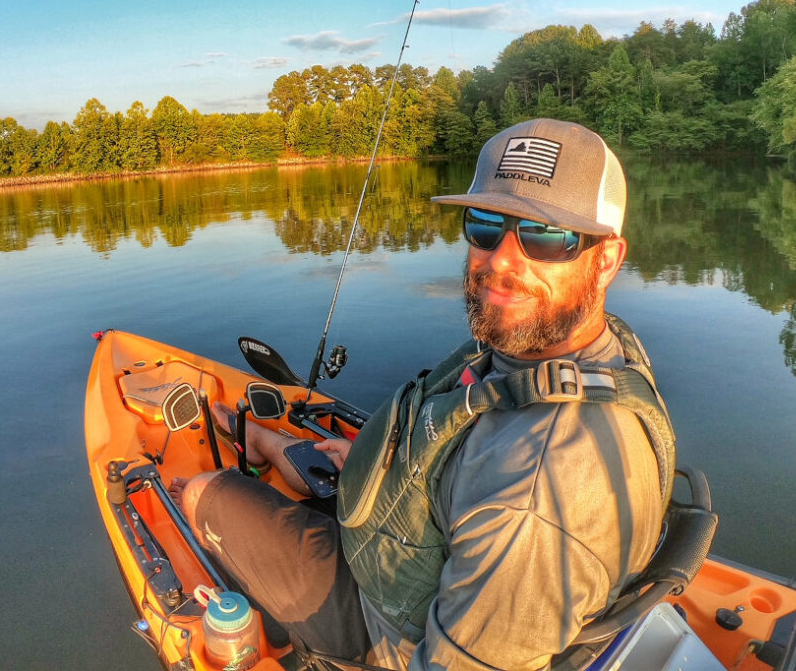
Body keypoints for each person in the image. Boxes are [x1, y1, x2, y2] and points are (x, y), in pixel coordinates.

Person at [173, 119, 675, 671]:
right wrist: (379, 459)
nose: (501, 261)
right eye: (485, 225)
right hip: (422, 551)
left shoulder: (533, 498)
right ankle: (271, 448)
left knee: (200, 492)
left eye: (546, 236)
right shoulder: (580, 352)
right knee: (326, 462)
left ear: (605, 260)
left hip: (386, 630)